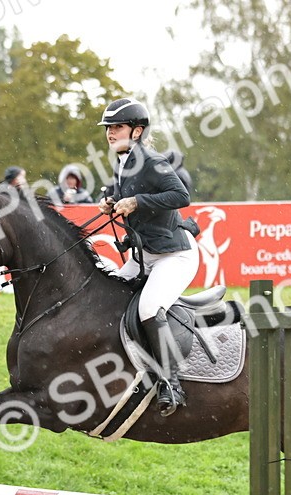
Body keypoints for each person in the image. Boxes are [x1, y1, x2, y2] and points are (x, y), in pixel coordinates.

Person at [97, 98, 198, 417]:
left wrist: (137, 202)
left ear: (137, 131)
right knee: (107, 294)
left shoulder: (153, 161)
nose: (111, 134)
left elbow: (182, 196)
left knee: (149, 308)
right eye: (109, 129)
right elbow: (127, 198)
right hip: (146, 255)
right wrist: (112, 203)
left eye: (118, 128)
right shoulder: (123, 162)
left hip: (175, 256)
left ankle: (172, 384)